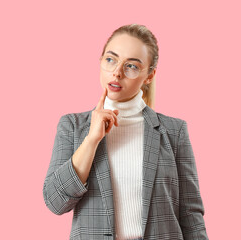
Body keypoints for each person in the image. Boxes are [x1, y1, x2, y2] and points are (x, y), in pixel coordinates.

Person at [43, 23, 209, 240]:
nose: (117, 72)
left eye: (131, 66)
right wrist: (92, 140)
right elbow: (55, 202)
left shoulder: (173, 131)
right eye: (110, 59)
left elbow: (190, 214)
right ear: (100, 61)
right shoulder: (72, 126)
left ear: (149, 75)